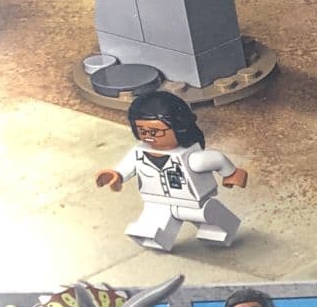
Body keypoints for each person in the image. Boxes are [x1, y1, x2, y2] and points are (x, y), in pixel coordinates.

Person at [94, 92, 247, 252]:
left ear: (178, 128)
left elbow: (216, 159)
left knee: (210, 219)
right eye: (142, 131)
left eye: (155, 132)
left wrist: (232, 173)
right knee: (149, 230)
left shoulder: (191, 158)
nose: (148, 136)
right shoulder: (139, 153)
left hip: (193, 203)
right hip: (157, 202)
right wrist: (116, 175)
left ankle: (220, 232)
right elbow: (126, 167)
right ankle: (156, 240)